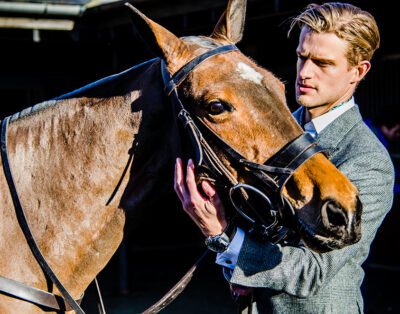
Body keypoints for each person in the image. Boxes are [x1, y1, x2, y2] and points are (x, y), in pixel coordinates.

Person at [174, 2, 395, 313]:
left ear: (357, 72)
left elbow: (311, 272)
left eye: (323, 63)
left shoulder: (367, 159)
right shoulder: (271, 134)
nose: (305, 73)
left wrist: (221, 233)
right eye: (302, 57)